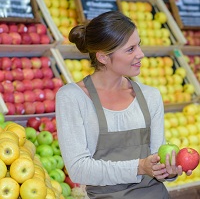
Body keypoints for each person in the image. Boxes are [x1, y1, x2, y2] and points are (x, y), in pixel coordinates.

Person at [56, 11, 192, 199]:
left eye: (139, 45)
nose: (141, 54)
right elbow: (79, 169)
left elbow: (156, 157)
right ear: (103, 57)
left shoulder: (150, 96)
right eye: (130, 49)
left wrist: (169, 170)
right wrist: (140, 167)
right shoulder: (73, 98)